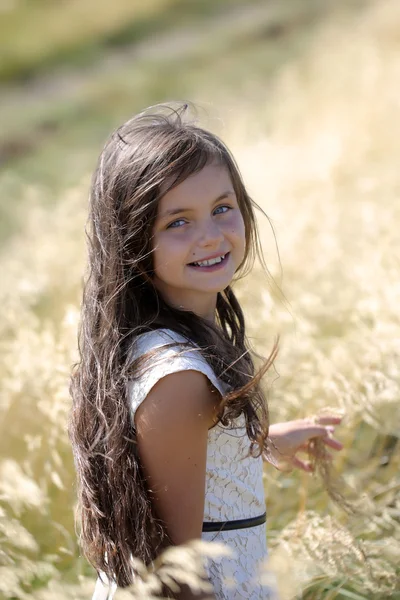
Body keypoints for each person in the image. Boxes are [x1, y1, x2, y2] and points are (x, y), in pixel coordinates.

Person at [68, 102, 343, 599]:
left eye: (222, 208)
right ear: (134, 241)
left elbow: (186, 466)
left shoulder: (177, 344)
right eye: (178, 222)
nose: (211, 235)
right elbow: (178, 572)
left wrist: (262, 443)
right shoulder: (177, 377)